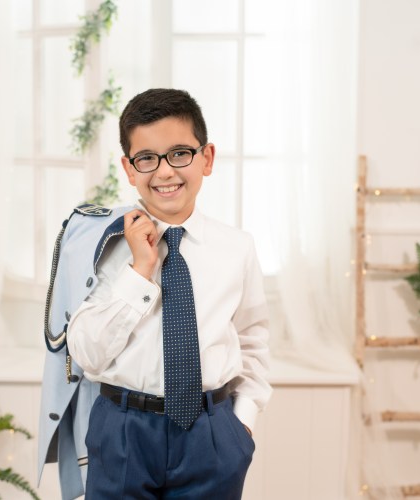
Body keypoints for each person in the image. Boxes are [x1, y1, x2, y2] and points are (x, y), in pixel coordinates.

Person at [67, 88, 272, 499]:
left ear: (206, 158)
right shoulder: (101, 246)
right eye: (147, 158)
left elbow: (252, 339)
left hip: (210, 435)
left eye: (180, 154)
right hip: (123, 431)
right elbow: (87, 354)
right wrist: (140, 270)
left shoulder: (237, 248)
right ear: (129, 168)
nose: (164, 172)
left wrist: (241, 425)